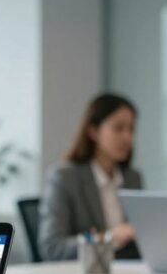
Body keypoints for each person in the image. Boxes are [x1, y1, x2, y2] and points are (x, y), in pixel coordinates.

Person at [38, 93, 143, 261]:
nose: (127, 137)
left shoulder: (133, 178)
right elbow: (52, 247)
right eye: (118, 128)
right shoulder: (64, 178)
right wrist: (109, 238)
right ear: (93, 131)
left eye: (131, 129)